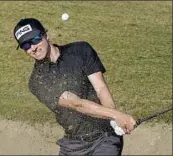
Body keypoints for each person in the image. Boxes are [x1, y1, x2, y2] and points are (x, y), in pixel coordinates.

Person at [13, 18, 136, 156]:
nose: (33, 48)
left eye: (35, 40)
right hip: (73, 146)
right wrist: (117, 115)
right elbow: (76, 104)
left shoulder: (81, 50)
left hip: (105, 138)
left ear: (46, 35)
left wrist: (113, 120)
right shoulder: (37, 81)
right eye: (25, 46)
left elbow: (101, 88)